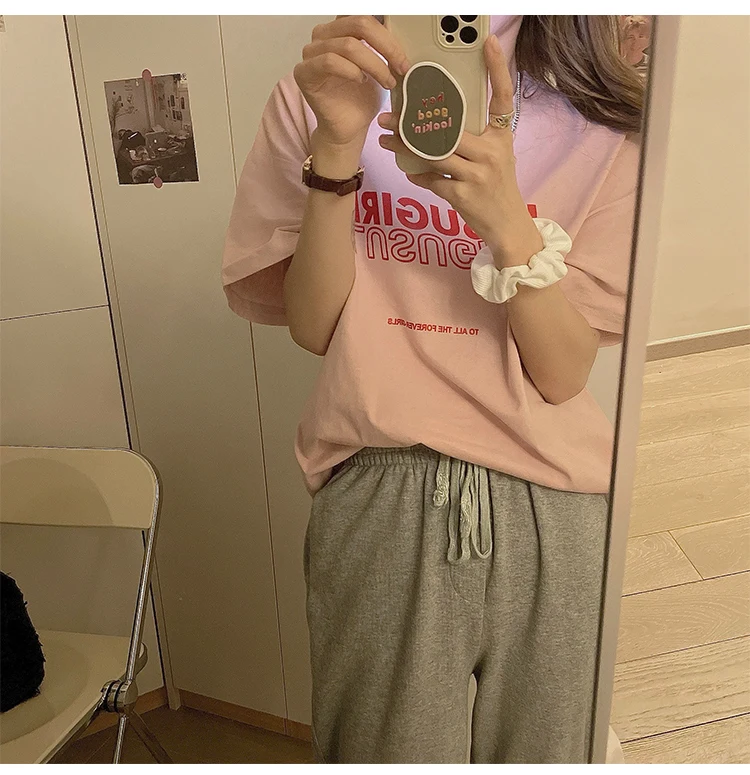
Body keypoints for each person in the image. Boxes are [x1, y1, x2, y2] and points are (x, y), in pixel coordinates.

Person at [222, 15, 643, 764]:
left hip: (556, 494)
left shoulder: (602, 114)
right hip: (379, 484)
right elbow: (315, 326)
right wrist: (338, 146)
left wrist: (508, 222)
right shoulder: (320, 89)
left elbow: (562, 373)